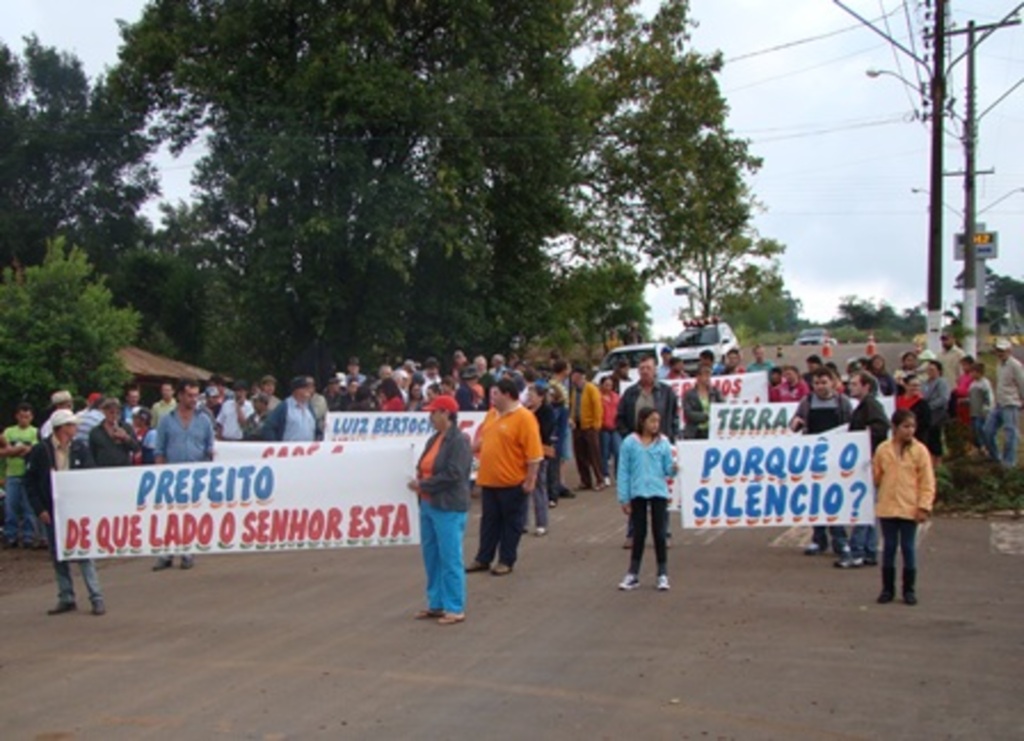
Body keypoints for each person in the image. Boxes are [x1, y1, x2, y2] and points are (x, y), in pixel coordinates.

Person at [24, 409, 105, 615]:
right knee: (58, 555)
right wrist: (39, 509)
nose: (75, 429)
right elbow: (30, 482)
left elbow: (90, 474)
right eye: (71, 425)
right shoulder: (41, 450)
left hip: (76, 509)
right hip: (52, 509)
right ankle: (66, 596)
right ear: (62, 428)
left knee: (84, 553)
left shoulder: (79, 448)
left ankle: (96, 597)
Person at [465, 378, 542, 576]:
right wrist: (468, 448)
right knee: (489, 522)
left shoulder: (524, 418)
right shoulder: (492, 414)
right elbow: (484, 439)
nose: (491, 398)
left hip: (512, 481)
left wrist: (530, 479)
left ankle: (506, 560)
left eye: (495, 394)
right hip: (490, 480)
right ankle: (483, 558)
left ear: (508, 394)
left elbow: (534, 454)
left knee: (511, 523)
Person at [408, 395, 472, 626]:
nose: (430, 417)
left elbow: (455, 474)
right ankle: (436, 602)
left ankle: (455, 606)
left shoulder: (459, 441)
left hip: (447, 505)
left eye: (433, 412)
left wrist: (424, 485)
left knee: (450, 556)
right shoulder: (436, 438)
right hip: (429, 503)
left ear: (445, 413)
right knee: (432, 555)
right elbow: (426, 465)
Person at [615, 355, 679, 549]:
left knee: (660, 492)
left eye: (648, 368)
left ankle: (664, 533)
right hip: (637, 447)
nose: (644, 371)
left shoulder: (666, 392)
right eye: (641, 368)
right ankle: (633, 533)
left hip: (659, 447)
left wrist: (669, 440)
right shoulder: (630, 393)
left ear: (655, 370)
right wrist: (629, 438)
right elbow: (620, 418)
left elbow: (674, 417)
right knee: (637, 492)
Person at [873, 409, 935, 605]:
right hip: (888, 506)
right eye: (905, 426)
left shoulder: (920, 451)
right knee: (889, 547)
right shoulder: (883, 449)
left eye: (912, 427)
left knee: (908, 548)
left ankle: (909, 589)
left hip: (910, 506)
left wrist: (924, 506)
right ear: (895, 427)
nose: (910, 431)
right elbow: (877, 476)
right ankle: (887, 589)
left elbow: (927, 481)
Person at [153, 380, 215, 570]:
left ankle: (188, 550)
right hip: (172, 474)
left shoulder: (204, 420)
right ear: (180, 396)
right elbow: (159, 450)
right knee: (170, 514)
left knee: (191, 514)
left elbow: (210, 448)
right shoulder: (166, 420)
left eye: (196, 395)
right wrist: (160, 474)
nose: (193, 399)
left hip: (196, 475)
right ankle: (167, 552)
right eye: (189, 395)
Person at [791, 367, 853, 557]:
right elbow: (794, 424)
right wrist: (795, 424)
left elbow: (852, 428)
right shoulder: (807, 402)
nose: (820, 386)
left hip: (836, 458)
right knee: (816, 500)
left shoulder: (842, 402)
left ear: (833, 382)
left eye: (824, 382)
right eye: (816, 383)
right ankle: (818, 540)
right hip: (814, 458)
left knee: (835, 500)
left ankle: (840, 541)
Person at [616, 408, 678, 592]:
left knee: (659, 533)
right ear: (642, 421)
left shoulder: (663, 442)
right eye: (652, 421)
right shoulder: (629, 443)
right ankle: (633, 573)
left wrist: (673, 468)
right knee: (639, 533)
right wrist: (624, 498)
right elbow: (623, 471)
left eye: (657, 421)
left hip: (658, 491)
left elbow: (668, 469)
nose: (655, 425)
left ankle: (662, 573)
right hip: (638, 492)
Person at [839, 371, 891, 569]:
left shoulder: (870, 405)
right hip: (866, 460)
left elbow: (882, 426)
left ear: (866, 386)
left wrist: (864, 439)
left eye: (854, 384)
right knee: (868, 508)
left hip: (868, 461)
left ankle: (857, 550)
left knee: (862, 508)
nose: (850, 387)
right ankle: (869, 551)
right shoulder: (864, 406)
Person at [1, 403, 41, 549]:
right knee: (10, 506)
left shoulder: (35, 432)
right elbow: (3, 451)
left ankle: (28, 536)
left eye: (27, 416)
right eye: (21, 416)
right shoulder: (9, 432)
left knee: (28, 508)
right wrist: (21, 449)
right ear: (16, 416)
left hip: (28, 474)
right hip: (12, 474)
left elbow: (35, 451)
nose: (24, 419)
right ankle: (10, 535)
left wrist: (13, 450)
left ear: (32, 417)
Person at [983, 338, 1024, 467]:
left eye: (1002, 351)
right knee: (987, 430)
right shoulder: (999, 364)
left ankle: (1008, 463)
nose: (1000, 353)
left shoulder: (1015, 365)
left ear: (1009, 350)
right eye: (998, 351)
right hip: (999, 403)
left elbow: (1022, 383)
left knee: (1010, 433)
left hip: (1011, 403)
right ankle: (996, 457)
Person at [524, 382, 554, 536]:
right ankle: (523, 522)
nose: (529, 397)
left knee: (539, 486)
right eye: (528, 395)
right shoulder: (526, 411)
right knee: (523, 486)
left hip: (540, 451)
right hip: (525, 453)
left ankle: (541, 522)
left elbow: (545, 432)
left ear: (541, 397)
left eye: (532, 395)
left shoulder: (547, 411)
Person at [568, 366, 604, 491]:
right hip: (577, 425)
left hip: (590, 426)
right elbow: (573, 406)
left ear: (582, 377)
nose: (574, 379)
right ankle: (585, 480)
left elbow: (597, 407)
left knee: (594, 454)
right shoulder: (574, 390)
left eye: (576, 376)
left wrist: (596, 425)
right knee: (580, 454)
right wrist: (571, 418)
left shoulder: (591, 389)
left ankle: (600, 479)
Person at [262, 376, 318, 442]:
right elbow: (268, 427)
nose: (309, 391)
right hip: (289, 450)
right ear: (296, 390)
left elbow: (316, 429)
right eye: (305, 388)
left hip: (308, 450)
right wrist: (276, 447)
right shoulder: (285, 407)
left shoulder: (309, 407)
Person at [89, 397, 140, 467]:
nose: (115, 416)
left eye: (118, 413)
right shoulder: (96, 432)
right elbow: (92, 454)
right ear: (104, 412)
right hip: (103, 470)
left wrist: (125, 437)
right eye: (111, 413)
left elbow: (136, 448)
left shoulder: (126, 427)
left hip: (123, 469)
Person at [682, 365, 724, 440]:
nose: (708, 377)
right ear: (698, 377)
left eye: (709, 375)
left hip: (712, 430)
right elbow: (688, 413)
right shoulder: (689, 394)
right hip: (695, 432)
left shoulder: (715, 392)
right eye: (705, 374)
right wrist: (705, 416)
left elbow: (722, 407)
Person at [922, 360, 949, 464]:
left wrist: (929, 406)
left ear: (939, 371)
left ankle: (937, 459)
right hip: (927, 413)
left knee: (935, 435)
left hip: (937, 412)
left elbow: (943, 398)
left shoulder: (941, 382)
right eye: (929, 369)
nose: (930, 372)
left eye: (932, 370)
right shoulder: (925, 383)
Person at [896, 375, 932, 452]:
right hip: (899, 438)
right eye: (913, 385)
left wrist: (910, 430)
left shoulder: (923, 404)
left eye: (918, 386)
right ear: (905, 386)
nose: (916, 388)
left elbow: (926, 423)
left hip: (917, 438)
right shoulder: (897, 401)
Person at [598, 376, 620, 486]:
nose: (608, 387)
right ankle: (605, 474)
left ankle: (618, 475)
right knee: (604, 453)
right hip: (603, 428)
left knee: (618, 451)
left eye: (610, 385)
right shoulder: (598, 397)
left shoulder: (616, 397)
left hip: (615, 428)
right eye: (606, 385)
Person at [968, 362, 993, 452]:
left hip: (981, 412)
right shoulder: (973, 384)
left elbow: (988, 398)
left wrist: (987, 408)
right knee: (975, 430)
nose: (971, 374)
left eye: (973, 372)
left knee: (980, 429)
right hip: (973, 411)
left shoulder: (985, 384)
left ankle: (985, 446)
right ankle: (980, 447)